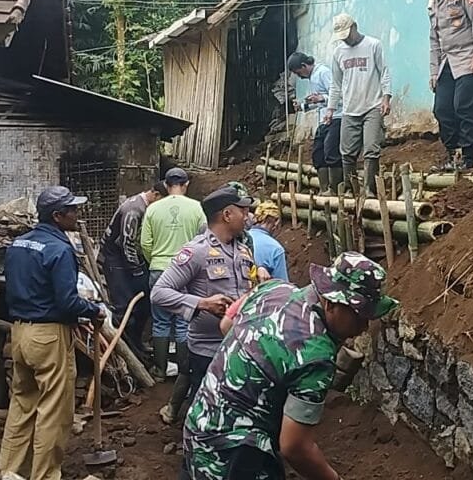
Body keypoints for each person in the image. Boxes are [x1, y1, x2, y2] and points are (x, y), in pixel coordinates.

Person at [184, 252, 399, 480]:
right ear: (330, 302)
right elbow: (295, 447)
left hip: (200, 423)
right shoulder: (316, 355)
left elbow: (227, 324)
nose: (364, 326)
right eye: (359, 316)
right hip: (234, 455)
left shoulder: (272, 288)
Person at [0, 186, 106, 480]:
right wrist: (93, 310)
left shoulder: (18, 244)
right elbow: (67, 302)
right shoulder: (59, 249)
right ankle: (45, 475)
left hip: (20, 333)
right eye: (72, 210)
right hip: (48, 336)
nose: (77, 214)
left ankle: (10, 471)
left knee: (22, 405)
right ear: (57, 216)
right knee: (53, 411)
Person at [150, 186, 255, 428]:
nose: (247, 216)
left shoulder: (243, 251)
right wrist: (202, 304)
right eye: (243, 211)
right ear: (227, 215)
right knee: (203, 415)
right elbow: (159, 292)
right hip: (207, 352)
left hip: (239, 349)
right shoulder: (196, 251)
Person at [413, 0, 473, 172]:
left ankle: (468, 156)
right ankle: (453, 154)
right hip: (447, 62)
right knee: (442, 108)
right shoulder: (433, 6)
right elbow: (434, 41)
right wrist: (433, 72)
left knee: (464, 105)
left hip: (469, 57)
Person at [141, 168, 206, 379]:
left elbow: (145, 243)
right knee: (183, 321)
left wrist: (156, 261)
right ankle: (183, 372)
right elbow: (203, 240)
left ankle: (160, 370)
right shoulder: (197, 208)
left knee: (160, 321)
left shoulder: (152, 209)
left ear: (166, 185)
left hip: (159, 269)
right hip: (187, 272)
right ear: (186, 184)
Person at [98, 180, 167, 360]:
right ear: (156, 195)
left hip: (127, 259)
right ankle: (127, 351)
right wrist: (137, 270)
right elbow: (126, 243)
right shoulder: (134, 210)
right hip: (115, 259)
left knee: (143, 305)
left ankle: (137, 343)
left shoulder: (143, 207)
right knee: (124, 306)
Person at [327, 13, 392, 199]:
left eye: (347, 34)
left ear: (354, 27)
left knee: (371, 148)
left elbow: (384, 72)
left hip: (372, 105)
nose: (346, 39)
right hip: (349, 108)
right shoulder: (338, 53)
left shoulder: (373, 45)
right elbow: (336, 84)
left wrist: (386, 98)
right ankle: (350, 188)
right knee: (347, 152)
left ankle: (370, 189)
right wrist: (331, 109)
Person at [288, 52, 343, 195]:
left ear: (304, 66)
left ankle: (335, 189)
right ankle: (324, 189)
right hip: (323, 119)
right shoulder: (312, 77)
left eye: (298, 72)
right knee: (318, 154)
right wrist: (303, 106)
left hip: (336, 117)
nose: (299, 76)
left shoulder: (323, 72)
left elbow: (338, 94)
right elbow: (320, 102)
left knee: (331, 151)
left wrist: (322, 98)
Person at [249, 201, 288, 282]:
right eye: (276, 221)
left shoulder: (241, 238)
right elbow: (281, 283)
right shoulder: (276, 248)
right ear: (273, 220)